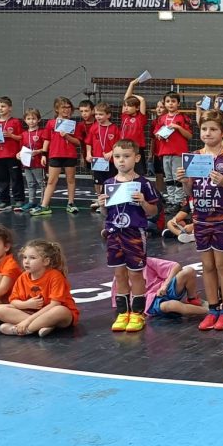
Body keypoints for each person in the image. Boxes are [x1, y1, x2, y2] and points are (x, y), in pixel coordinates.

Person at [176, 111, 223, 332]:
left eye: (213, 129)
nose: (208, 133)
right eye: (205, 129)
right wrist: (184, 181)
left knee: (222, 265)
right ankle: (213, 308)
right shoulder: (195, 156)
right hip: (201, 218)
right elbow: (190, 190)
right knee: (207, 266)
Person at [101, 139, 160, 333]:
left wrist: (143, 202)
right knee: (119, 274)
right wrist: (102, 204)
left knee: (135, 273)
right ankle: (122, 312)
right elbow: (105, 214)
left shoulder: (143, 183)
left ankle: (137, 312)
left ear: (136, 158)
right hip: (113, 233)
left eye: (126, 157)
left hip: (134, 232)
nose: (121, 161)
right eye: (117, 157)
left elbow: (153, 212)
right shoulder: (109, 183)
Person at [0, 239, 79, 337]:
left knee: (59, 310)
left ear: (46, 261)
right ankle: (44, 325)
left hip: (58, 315)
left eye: (32, 258)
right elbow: (13, 301)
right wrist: (26, 304)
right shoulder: (23, 277)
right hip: (34, 313)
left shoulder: (55, 276)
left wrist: (27, 321)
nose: (26, 261)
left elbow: (54, 305)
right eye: (25, 257)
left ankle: (24, 330)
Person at [30, 96, 82, 216]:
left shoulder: (74, 124)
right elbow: (46, 140)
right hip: (55, 155)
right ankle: (44, 206)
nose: (66, 110)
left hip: (70, 155)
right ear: (57, 109)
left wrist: (67, 137)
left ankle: (71, 203)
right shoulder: (51, 123)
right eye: (63, 107)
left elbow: (78, 142)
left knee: (71, 180)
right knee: (51, 181)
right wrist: (43, 154)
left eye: (69, 107)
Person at [156, 90, 193, 210]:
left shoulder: (183, 118)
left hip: (178, 151)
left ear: (178, 104)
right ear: (164, 104)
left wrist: (178, 127)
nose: (170, 104)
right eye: (168, 101)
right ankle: (171, 200)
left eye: (173, 101)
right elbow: (156, 132)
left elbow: (189, 136)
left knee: (178, 177)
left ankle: (179, 201)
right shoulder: (161, 118)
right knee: (169, 178)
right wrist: (158, 135)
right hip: (165, 151)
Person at [0, 95, 25, 213]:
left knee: (16, 179)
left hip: (12, 155)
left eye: (3, 106)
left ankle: (19, 200)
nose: (0, 109)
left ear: (10, 108)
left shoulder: (15, 122)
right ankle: (5, 201)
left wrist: (11, 136)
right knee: (2, 180)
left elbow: (21, 137)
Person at [84, 102, 119, 212]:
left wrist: (111, 152)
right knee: (98, 181)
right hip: (98, 160)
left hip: (110, 160)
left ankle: (109, 201)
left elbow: (119, 145)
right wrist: (89, 154)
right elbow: (88, 142)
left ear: (108, 115)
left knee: (110, 181)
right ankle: (100, 200)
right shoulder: (94, 127)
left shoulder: (114, 129)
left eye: (101, 114)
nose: (98, 117)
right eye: (96, 114)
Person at [19, 107, 48, 212]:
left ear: (39, 120)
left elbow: (46, 147)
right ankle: (31, 201)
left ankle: (43, 202)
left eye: (33, 118)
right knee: (30, 183)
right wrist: (18, 154)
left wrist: (39, 151)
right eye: (29, 118)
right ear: (25, 120)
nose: (31, 121)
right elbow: (22, 148)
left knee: (41, 183)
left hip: (38, 162)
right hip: (27, 163)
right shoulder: (24, 134)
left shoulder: (42, 132)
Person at [120, 78, 149, 173]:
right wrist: (132, 84)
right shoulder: (125, 116)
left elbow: (142, 100)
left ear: (137, 108)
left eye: (129, 106)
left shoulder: (140, 118)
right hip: (124, 146)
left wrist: (133, 95)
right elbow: (126, 98)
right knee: (126, 170)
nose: (126, 108)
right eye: (126, 106)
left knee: (138, 171)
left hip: (136, 147)